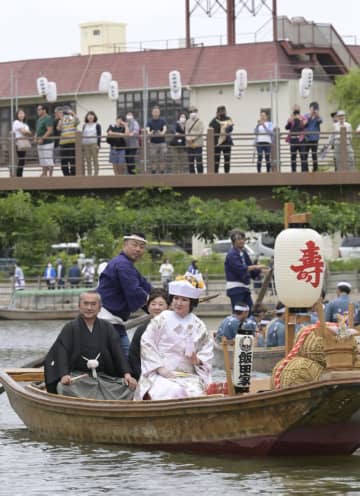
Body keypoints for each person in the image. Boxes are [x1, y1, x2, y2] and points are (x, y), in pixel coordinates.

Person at [44, 291, 137, 399]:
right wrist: (64, 374)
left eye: (93, 304)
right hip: (78, 378)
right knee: (63, 387)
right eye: (86, 303)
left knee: (129, 388)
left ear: (100, 307)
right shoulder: (70, 328)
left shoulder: (107, 327)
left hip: (104, 377)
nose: (89, 307)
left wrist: (127, 374)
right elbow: (61, 352)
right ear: (79, 306)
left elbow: (118, 353)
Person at [135, 278, 213, 400]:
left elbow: (206, 352)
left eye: (184, 300)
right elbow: (147, 344)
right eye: (176, 298)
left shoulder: (199, 325)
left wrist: (197, 360)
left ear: (191, 302)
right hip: (160, 373)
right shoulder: (161, 319)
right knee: (171, 391)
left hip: (189, 375)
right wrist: (160, 369)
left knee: (195, 393)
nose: (178, 303)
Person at [97, 232, 153, 356]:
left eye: (142, 247)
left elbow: (146, 287)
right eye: (134, 245)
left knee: (126, 359)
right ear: (125, 245)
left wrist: (165, 299)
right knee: (124, 359)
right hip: (107, 321)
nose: (138, 249)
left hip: (114, 322)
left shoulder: (127, 265)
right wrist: (158, 307)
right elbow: (135, 291)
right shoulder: (122, 264)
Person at [128, 288, 170, 380]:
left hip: (171, 373)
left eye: (161, 304)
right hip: (146, 374)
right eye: (153, 304)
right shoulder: (141, 330)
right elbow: (134, 357)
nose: (157, 307)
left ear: (168, 306)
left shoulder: (174, 328)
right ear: (148, 307)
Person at [224, 229, 268, 313]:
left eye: (243, 239)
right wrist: (257, 267)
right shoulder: (231, 254)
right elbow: (241, 268)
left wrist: (261, 270)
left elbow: (251, 270)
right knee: (239, 314)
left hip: (245, 288)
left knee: (250, 313)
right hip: (235, 288)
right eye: (239, 239)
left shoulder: (243, 253)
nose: (242, 241)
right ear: (234, 241)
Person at [209, 105, 234, 174]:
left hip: (226, 142)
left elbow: (231, 128)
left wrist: (225, 127)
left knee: (227, 159)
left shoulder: (228, 118)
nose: (222, 113)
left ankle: (227, 173)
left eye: (223, 111)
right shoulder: (214, 120)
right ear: (217, 112)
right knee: (216, 160)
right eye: (220, 111)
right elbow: (211, 127)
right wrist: (217, 119)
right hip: (217, 142)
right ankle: (216, 173)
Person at [57, 106, 80, 176]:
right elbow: (58, 128)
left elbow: (77, 122)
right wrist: (61, 119)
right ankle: (66, 175)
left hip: (73, 142)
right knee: (64, 161)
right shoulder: (60, 120)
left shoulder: (72, 118)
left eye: (67, 111)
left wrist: (73, 114)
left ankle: (73, 175)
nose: (66, 113)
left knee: (73, 160)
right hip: (63, 143)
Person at [285, 104, 308, 172]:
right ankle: (293, 172)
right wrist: (290, 121)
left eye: (297, 108)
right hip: (293, 140)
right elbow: (286, 127)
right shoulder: (291, 118)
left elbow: (305, 126)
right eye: (294, 108)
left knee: (303, 156)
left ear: (299, 109)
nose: (296, 110)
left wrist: (300, 120)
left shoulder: (303, 118)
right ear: (293, 110)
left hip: (301, 139)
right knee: (293, 157)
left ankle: (303, 172)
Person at [146, 105, 167, 174]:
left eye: (157, 112)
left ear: (159, 113)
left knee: (162, 158)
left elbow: (164, 128)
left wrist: (162, 132)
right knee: (153, 159)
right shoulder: (149, 121)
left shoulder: (162, 121)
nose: (156, 113)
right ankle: (153, 172)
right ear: (152, 113)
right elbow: (148, 129)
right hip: (153, 143)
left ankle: (162, 172)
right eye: (154, 112)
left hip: (162, 142)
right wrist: (150, 132)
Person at [12, 109, 32, 177]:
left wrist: (26, 131)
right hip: (19, 143)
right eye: (20, 113)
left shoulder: (24, 124)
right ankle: (19, 175)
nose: (21, 115)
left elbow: (30, 133)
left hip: (24, 142)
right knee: (21, 159)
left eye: (22, 113)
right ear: (17, 115)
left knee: (22, 159)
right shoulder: (16, 122)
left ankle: (20, 174)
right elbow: (24, 132)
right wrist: (26, 131)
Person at [35, 104, 54, 177]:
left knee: (48, 158)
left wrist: (42, 138)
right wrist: (35, 137)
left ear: (44, 110)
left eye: (39, 109)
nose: (38, 111)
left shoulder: (48, 118)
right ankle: (44, 173)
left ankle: (50, 175)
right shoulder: (39, 119)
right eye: (37, 110)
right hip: (39, 143)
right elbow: (37, 130)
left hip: (47, 142)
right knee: (42, 159)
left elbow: (49, 130)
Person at [304, 102, 322, 172]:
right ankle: (306, 170)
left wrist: (317, 115)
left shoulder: (318, 116)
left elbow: (320, 121)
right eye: (312, 108)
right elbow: (304, 123)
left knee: (314, 155)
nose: (314, 110)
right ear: (310, 108)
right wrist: (310, 115)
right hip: (307, 138)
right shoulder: (306, 115)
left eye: (315, 108)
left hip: (315, 138)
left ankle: (315, 169)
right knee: (305, 155)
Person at [82, 111, 101, 176]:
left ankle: (96, 173)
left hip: (94, 143)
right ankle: (89, 174)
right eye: (89, 115)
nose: (90, 117)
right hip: (85, 144)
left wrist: (98, 144)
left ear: (94, 117)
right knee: (88, 160)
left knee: (95, 159)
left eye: (92, 115)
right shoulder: (84, 125)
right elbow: (83, 135)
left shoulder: (97, 125)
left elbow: (99, 135)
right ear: (87, 117)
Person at [185, 107, 204, 174]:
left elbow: (200, 131)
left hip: (198, 143)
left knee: (199, 160)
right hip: (189, 144)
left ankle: (200, 174)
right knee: (191, 160)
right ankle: (192, 174)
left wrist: (193, 138)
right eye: (191, 112)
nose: (193, 113)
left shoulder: (200, 122)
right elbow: (186, 131)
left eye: (194, 112)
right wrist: (188, 139)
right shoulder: (187, 121)